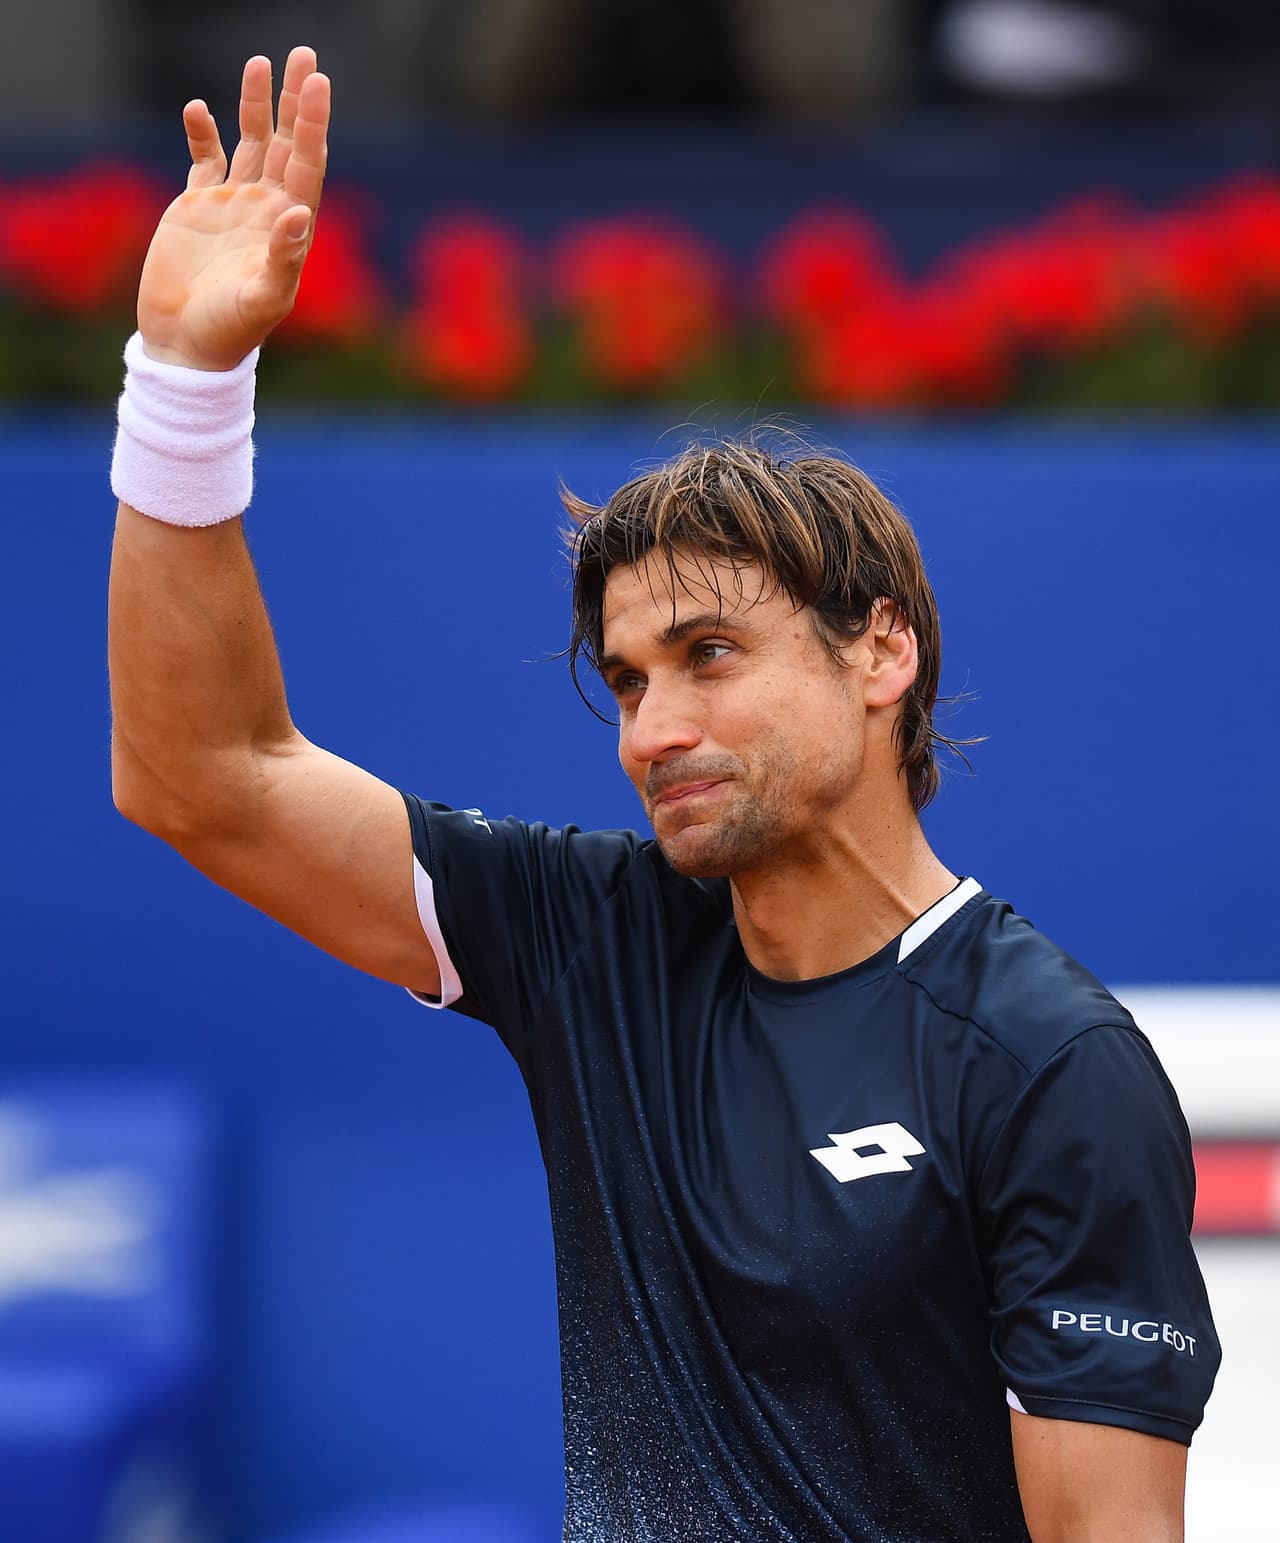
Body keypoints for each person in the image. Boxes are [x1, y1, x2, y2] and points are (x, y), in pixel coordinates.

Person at [107, 47, 1219, 1543]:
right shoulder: (594, 941)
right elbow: (204, 777)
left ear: (879, 650)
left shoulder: (1046, 1062)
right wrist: (185, 378)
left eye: (709, 656)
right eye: (629, 682)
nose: (654, 728)